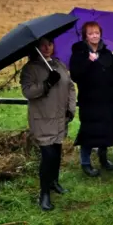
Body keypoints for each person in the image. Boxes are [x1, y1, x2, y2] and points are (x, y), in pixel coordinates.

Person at [19, 37, 76, 211]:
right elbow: (27, 91)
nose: (47, 47)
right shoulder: (30, 69)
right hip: (43, 118)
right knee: (48, 156)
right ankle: (43, 194)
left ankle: (54, 182)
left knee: (57, 152)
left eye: (50, 44)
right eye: (42, 45)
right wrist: (47, 83)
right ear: (36, 48)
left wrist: (71, 108)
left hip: (60, 117)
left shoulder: (59, 64)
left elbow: (70, 86)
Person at [69, 21, 113, 177]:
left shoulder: (106, 53)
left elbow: (112, 74)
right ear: (85, 35)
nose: (94, 36)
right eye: (91, 33)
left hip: (107, 98)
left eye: (97, 33)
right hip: (89, 99)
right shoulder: (79, 52)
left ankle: (103, 159)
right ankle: (85, 162)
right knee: (89, 130)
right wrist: (88, 62)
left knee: (106, 128)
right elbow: (75, 75)